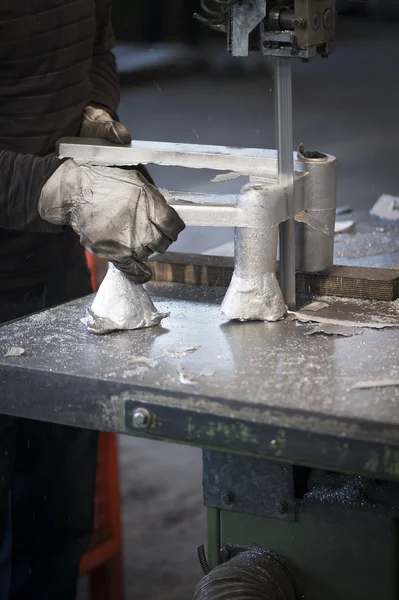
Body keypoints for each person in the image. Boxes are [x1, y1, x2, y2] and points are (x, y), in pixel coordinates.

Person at [0, 1, 185, 599]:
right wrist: (54, 190)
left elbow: (95, 45)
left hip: (49, 280)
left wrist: (95, 112)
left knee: (55, 526)